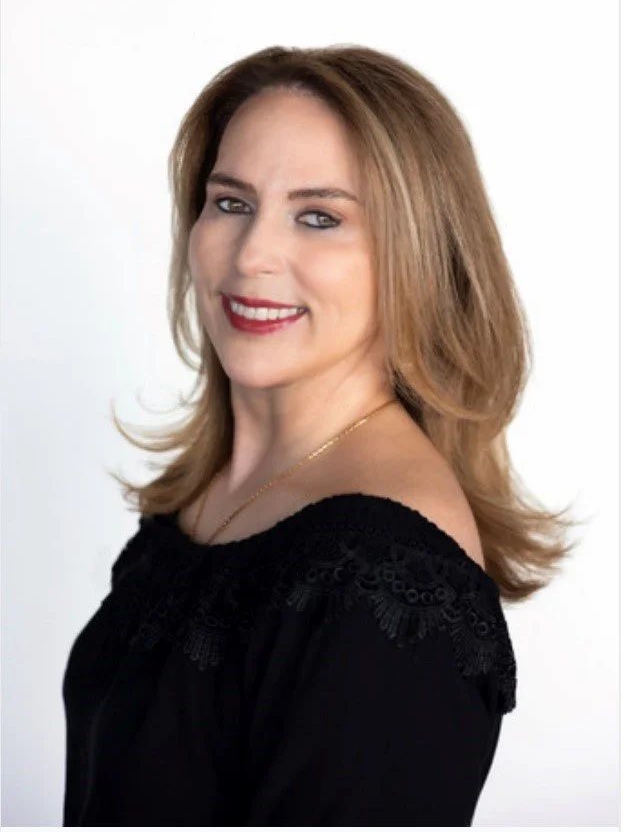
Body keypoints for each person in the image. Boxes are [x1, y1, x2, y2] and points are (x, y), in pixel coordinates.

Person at [61, 44, 581, 826]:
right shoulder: (218, 493)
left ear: (416, 258)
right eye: (230, 202)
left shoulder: (381, 583)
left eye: (318, 217)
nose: (252, 255)